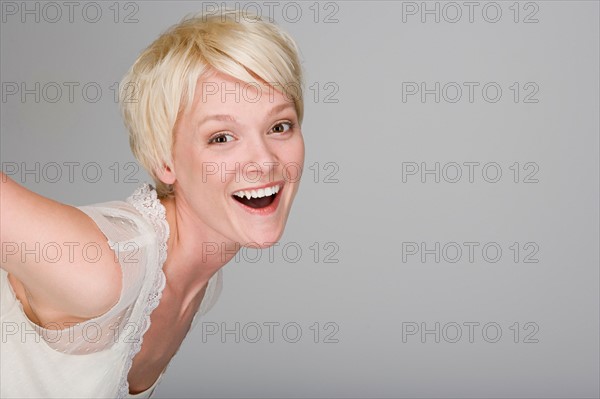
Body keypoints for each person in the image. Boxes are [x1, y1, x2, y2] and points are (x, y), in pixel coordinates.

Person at [0, 8, 305, 398]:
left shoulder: (200, 284)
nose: (264, 161)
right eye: (221, 138)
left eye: (279, 126)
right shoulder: (105, 268)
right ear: (165, 161)